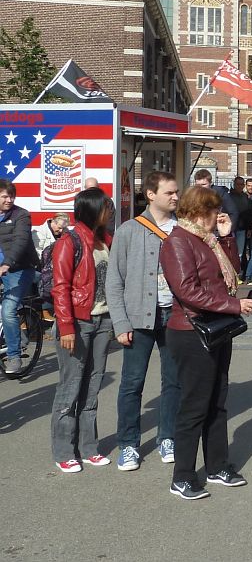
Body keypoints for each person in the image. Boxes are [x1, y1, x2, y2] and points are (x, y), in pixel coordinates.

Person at [160, 185, 252, 499]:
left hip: (213, 327)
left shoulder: (208, 240)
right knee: (194, 406)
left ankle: (217, 466)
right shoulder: (177, 241)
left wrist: (227, 238)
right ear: (201, 212)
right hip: (190, 331)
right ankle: (183, 475)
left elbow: (231, 274)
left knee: (217, 401)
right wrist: (233, 306)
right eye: (215, 211)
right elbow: (187, 290)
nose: (219, 216)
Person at [107, 171, 181, 471]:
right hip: (138, 318)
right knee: (131, 384)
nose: (175, 197)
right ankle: (128, 444)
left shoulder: (183, 231)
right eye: (169, 193)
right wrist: (120, 323)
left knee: (174, 382)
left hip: (175, 316)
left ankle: (168, 437)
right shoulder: (128, 230)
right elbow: (114, 281)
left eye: (177, 192)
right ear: (151, 194)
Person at [50, 188, 115, 473]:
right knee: (70, 389)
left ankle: (89, 448)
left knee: (92, 387)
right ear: (91, 210)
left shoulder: (105, 239)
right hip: (77, 324)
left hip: (103, 321)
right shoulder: (70, 241)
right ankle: (64, 451)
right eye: (105, 208)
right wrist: (66, 326)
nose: (110, 212)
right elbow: (60, 287)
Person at [0, 179, 38, 375]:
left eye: (11, 196)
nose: (9, 200)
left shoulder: (21, 215)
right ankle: (14, 334)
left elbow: (21, 241)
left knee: (8, 309)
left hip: (19, 268)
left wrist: (7, 263)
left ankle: (14, 356)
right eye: (5, 196)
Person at [32, 213, 68, 322]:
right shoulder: (39, 232)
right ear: (53, 222)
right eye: (59, 228)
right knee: (48, 278)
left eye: (63, 228)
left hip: (54, 265)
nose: (61, 231)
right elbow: (37, 255)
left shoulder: (64, 232)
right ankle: (45, 309)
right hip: (38, 267)